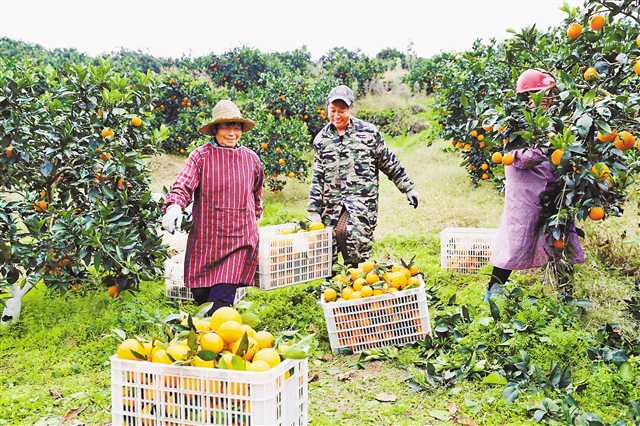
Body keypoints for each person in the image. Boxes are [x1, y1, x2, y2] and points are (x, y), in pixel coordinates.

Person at [486, 69, 584, 302]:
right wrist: (545, 146)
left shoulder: (553, 120)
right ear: (528, 97)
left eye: (550, 95)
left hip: (552, 190)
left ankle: (566, 293)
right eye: (543, 95)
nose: (549, 100)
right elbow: (518, 156)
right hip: (526, 193)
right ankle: (494, 291)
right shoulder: (515, 122)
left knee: (560, 236)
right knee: (518, 237)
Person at [162, 100, 264, 312]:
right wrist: (174, 206)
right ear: (215, 129)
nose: (232, 133)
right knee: (202, 298)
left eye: (236, 127)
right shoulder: (201, 156)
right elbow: (184, 183)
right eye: (226, 126)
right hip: (207, 240)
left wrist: (255, 215)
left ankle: (223, 330)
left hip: (239, 240)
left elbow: (257, 193)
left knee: (219, 305)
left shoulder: (251, 159)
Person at [307, 85, 419, 266]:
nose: (336, 115)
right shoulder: (321, 140)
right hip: (331, 205)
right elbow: (317, 177)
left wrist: (408, 188)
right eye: (332, 110)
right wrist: (313, 211)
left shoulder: (368, 133)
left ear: (350, 109)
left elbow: (388, 161)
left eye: (341, 111)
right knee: (329, 254)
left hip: (361, 203)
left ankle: (359, 285)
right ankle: (334, 290)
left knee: (357, 248)